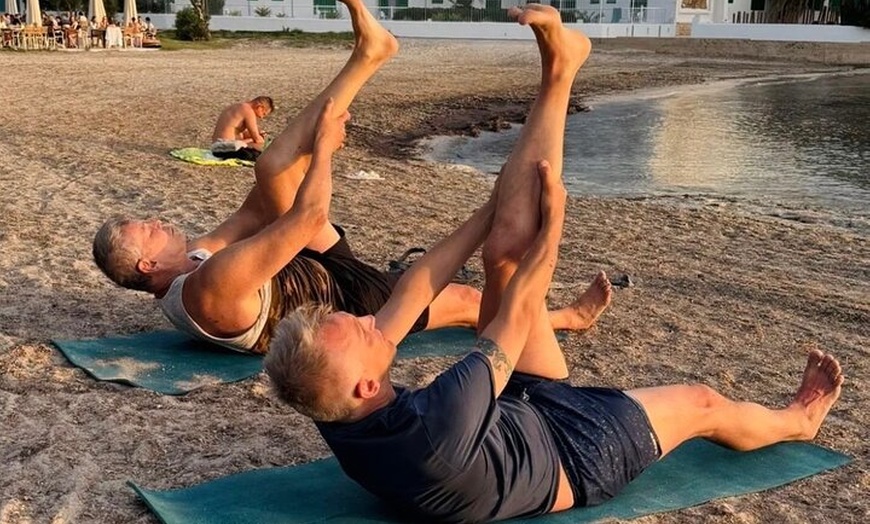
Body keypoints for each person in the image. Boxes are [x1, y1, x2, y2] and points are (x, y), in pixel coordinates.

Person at [263, 5, 845, 523]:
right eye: (364, 330)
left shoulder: (332, 397)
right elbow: (518, 310)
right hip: (578, 451)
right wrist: (557, 219)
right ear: (367, 383)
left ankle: (560, 69)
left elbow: (413, 289)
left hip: (511, 415)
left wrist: (488, 210)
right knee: (701, 402)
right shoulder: (437, 423)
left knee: (502, 252)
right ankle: (798, 421)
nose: (372, 320)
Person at [92, 0, 608, 356]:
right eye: (149, 228)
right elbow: (308, 216)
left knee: (271, 168)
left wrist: (292, 161)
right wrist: (323, 149)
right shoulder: (209, 287)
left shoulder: (193, 261)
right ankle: (568, 319)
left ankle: (369, 54)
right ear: (146, 263)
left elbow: (256, 210)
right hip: (345, 301)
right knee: (470, 303)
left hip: (311, 268)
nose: (159, 220)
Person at [210, 96, 275, 162]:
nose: (261, 117)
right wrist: (259, 139)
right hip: (226, 148)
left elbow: (236, 132)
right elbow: (257, 139)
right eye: (263, 113)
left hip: (216, 147)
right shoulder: (248, 111)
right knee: (263, 150)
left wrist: (253, 136)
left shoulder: (237, 107)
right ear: (260, 107)